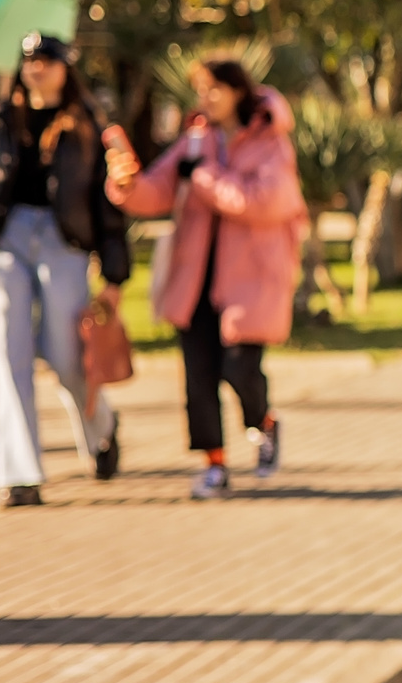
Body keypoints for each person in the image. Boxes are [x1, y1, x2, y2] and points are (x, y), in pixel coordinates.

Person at [102, 56, 306, 500]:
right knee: (198, 377)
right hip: (194, 276)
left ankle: (264, 422)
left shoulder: (271, 144)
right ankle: (214, 463)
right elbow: (159, 189)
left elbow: (267, 202)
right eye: (201, 90)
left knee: (240, 370)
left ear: (238, 91)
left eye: (214, 89)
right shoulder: (196, 140)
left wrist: (205, 177)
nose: (206, 99)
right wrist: (126, 183)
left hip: (249, 280)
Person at [0, 31, 130, 507]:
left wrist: (114, 274)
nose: (37, 68)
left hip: (64, 241)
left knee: (66, 356)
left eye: (47, 61)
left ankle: (102, 426)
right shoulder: (0, 121)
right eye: (30, 61)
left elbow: (106, 205)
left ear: (64, 68)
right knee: (9, 355)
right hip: (9, 240)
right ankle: (19, 474)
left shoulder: (87, 123)